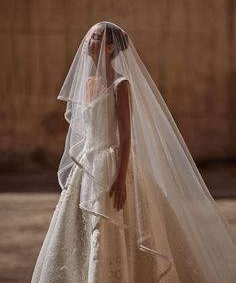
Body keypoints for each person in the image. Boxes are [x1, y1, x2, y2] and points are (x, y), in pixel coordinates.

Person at [30, 21, 236, 283]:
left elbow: (126, 136)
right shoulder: (90, 82)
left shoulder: (121, 84)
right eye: (90, 37)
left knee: (115, 226)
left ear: (110, 46)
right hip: (88, 165)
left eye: (95, 38)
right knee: (81, 229)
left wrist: (120, 177)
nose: (88, 42)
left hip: (114, 163)